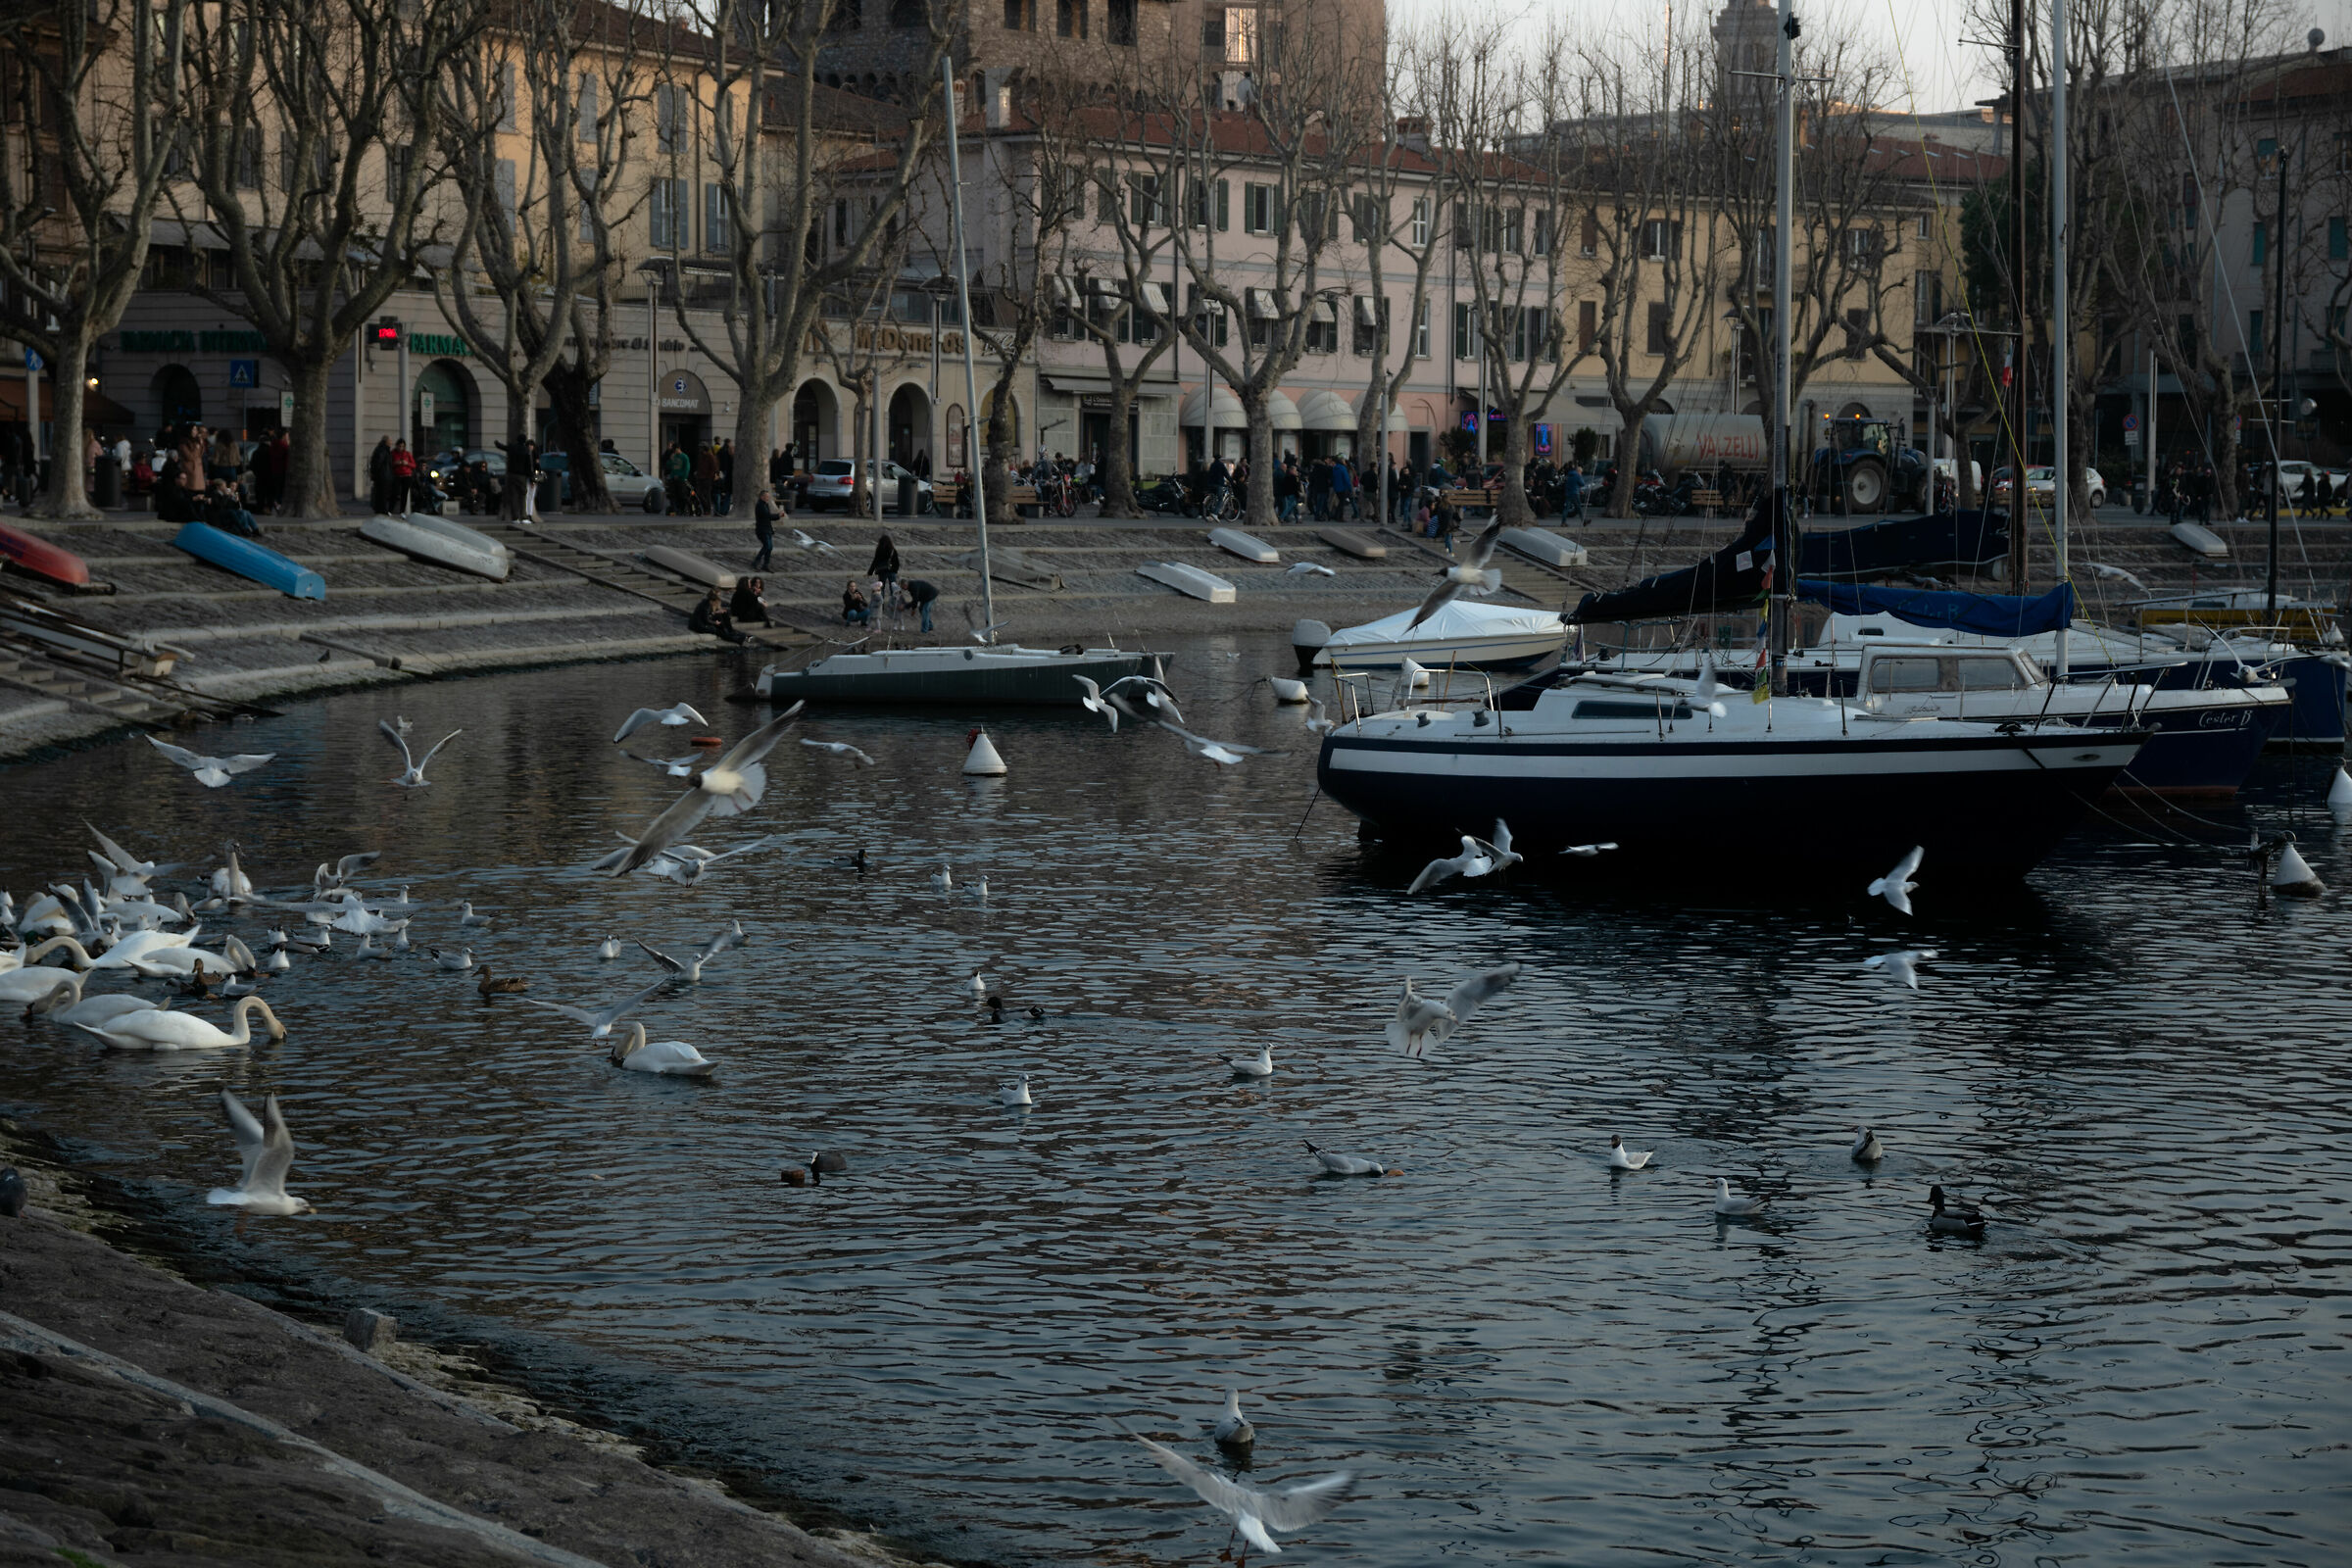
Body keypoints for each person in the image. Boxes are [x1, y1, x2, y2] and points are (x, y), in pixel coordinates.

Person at [752, 486, 779, 569]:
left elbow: (767, 518)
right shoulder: (760, 505)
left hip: (767, 530)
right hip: (762, 530)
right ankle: (756, 561)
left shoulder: (765, 505)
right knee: (767, 546)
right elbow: (767, 516)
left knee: (770, 547)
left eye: (768, 496)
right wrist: (778, 515)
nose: (768, 498)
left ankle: (765, 565)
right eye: (766, 496)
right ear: (761, 497)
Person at [868, 531, 900, 601]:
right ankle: (893, 603)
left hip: (882, 571)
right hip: (892, 571)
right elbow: (897, 562)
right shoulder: (892, 550)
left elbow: (875, 561)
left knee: (881, 588)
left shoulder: (879, 550)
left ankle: (881, 604)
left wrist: (870, 572)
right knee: (893, 588)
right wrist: (895, 570)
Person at [388, 438, 417, 514]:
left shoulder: (407, 454)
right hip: (397, 476)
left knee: (404, 494)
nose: (401, 448)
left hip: (406, 476)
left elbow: (414, 465)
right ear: (397, 446)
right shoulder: (393, 453)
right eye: (399, 446)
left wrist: (407, 463)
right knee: (394, 493)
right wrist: (395, 463)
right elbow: (389, 464)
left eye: (402, 446)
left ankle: (402, 511)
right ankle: (390, 510)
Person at [368, 435, 393, 514]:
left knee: (381, 493)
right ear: (386, 442)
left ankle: (380, 509)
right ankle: (382, 509)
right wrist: (375, 474)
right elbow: (378, 463)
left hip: (382, 476)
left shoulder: (381, 449)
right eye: (390, 441)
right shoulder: (383, 450)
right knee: (383, 494)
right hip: (383, 476)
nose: (391, 443)